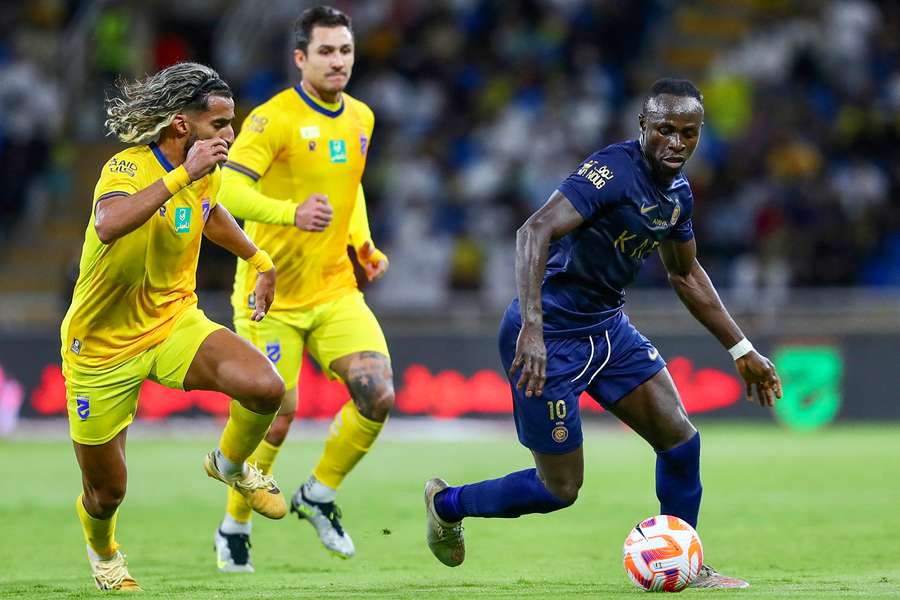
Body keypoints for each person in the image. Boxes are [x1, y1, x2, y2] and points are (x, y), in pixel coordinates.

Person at [423, 79, 783, 589]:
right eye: (665, 130)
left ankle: (686, 562)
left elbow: (685, 273)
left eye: (688, 133)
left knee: (680, 440)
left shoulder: (678, 193)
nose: (676, 143)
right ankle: (446, 503)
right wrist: (532, 327)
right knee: (560, 488)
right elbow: (534, 230)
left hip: (609, 330)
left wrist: (741, 348)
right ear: (643, 127)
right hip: (549, 339)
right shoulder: (611, 172)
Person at [62, 62, 290, 592]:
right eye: (220, 124)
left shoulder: (205, 172)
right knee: (106, 493)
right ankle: (104, 553)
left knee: (265, 387)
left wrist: (260, 260)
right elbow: (109, 223)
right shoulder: (128, 167)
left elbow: (209, 213)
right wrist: (183, 174)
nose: (230, 135)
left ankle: (230, 464)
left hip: (172, 321)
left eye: (231, 123)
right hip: (100, 348)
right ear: (183, 126)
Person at [212, 5, 393, 571]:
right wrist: (291, 213)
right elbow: (227, 193)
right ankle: (234, 525)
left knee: (378, 394)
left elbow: (349, 189)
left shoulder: (361, 116)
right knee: (278, 414)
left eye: (345, 50)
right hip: (272, 297)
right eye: (326, 51)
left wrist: (360, 242)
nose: (338, 61)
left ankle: (318, 494)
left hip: (336, 289)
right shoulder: (272, 120)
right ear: (300, 59)